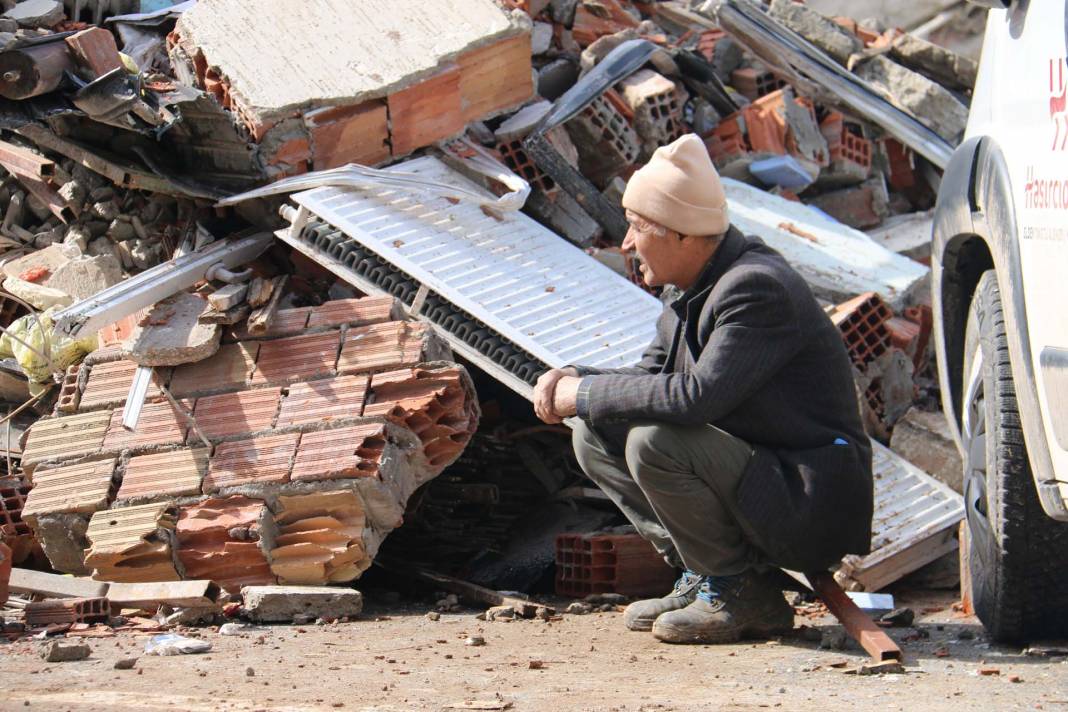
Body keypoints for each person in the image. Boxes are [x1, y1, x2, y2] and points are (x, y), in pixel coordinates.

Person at [533, 134, 873, 644]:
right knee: (594, 432)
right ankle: (707, 574)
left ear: (684, 237)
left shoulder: (754, 288)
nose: (626, 243)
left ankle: (740, 592)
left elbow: (697, 397)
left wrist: (580, 393)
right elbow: (652, 376)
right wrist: (573, 380)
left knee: (655, 441)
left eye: (637, 228)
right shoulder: (697, 284)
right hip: (767, 481)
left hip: (807, 500)